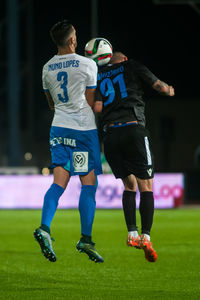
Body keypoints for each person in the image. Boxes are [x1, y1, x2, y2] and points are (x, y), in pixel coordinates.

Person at [93, 51, 175, 262]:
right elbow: (158, 86)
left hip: (110, 136)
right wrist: (169, 90)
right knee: (146, 185)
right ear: (125, 59)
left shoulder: (99, 75)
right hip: (133, 130)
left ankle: (131, 233)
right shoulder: (132, 66)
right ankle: (146, 237)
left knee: (129, 186)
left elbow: (98, 107)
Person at [33, 20, 104, 263]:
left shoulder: (46, 67)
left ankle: (44, 227)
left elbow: (51, 103)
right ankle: (86, 238)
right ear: (73, 40)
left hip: (58, 128)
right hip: (83, 131)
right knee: (88, 184)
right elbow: (90, 100)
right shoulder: (88, 64)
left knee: (58, 183)